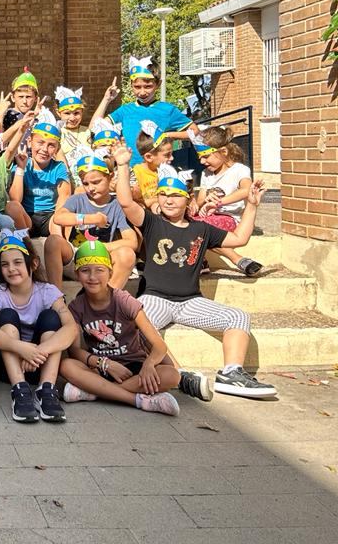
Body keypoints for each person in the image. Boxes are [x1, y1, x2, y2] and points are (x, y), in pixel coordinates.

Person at [112, 139, 277, 399]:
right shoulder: (153, 222)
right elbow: (125, 202)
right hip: (155, 298)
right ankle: (180, 375)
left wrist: (252, 205)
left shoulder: (201, 228)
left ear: (188, 199)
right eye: (164, 194)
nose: (168, 200)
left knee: (238, 317)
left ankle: (232, 374)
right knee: (139, 327)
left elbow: (239, 239)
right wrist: (122, 165)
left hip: (190, 301)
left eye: (175, 195)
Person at [60, 241, 183, 416]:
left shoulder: (124, 301)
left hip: (134, 368)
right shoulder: (76, 306)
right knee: (66, 365)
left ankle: (95, 391)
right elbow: (74, 351)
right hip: (101, 368)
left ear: (110, 273)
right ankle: (137, 399)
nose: (92, 277)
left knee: (172, 375)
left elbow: (159, 345)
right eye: (85, 270)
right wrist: (105, 364)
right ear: (77, 274)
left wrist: (149, 364)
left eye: (99, 270)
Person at [0, 234, 77, 423]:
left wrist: (38, 352)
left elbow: (71, 328)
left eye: (17, 262)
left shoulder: (48, 291)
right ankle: (20, 390)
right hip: (5, 365)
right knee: (7, 315)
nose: (11, 269)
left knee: (51, 317)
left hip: (39, 363)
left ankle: (46, 390)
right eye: (5, 264)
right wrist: (21, 348)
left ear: (33, 264)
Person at [43, 152, 138, 289]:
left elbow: (131, 241)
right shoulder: (78, 200)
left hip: (102, 258)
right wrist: (90, 219)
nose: (91, 188)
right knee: (53, 242)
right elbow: (59, 217)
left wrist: (100, 247)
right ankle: (55, 295)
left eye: (96, 182)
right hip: (76, 256)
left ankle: (106, 297)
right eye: (86, 184)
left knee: (127, 255)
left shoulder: (117, 205)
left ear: (110, 177)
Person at [95, 56, 196, 166]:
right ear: (131, 85)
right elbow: (95, 127)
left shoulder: (168, 110)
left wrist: (166, 135)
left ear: (158, 84)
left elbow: (195, 131)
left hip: (156, 170)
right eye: (137, 87)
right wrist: (106, 99)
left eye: (148, 86)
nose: (142, 92)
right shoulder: (124, 110)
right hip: (129, 170)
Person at [190, 127, 262, 276]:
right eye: (200, 157)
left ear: (223, 152)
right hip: (208, 218)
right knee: (184, 223)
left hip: (231, 218)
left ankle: (235, 259)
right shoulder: (206, 173)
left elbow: (246, 190)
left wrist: (218, 202)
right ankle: (207, 261)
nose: (202, 161)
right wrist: (202, 200)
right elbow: (201, 200)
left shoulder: (239, 169)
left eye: (206, 156)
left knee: (200, 229)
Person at [8, 108, 71, 238]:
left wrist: (58, 217)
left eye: (51, 145)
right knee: (12, 207)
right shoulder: (23, 163)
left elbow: (65, 195)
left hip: (50, 217)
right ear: (29, 142)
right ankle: (26, 244)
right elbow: (15, 199)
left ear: (57, 149)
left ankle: (59, 241)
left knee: (64, 213)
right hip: (27, 217)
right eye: (40, 143)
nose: (44, 149)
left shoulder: (58, 167)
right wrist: (20, 168)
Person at [132, 120, 175, 211]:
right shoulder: (135, 173)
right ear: (149, 157)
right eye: (167, 155)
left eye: (171, 154)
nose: (172, 158)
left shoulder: (170, 172)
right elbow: (138, 203)